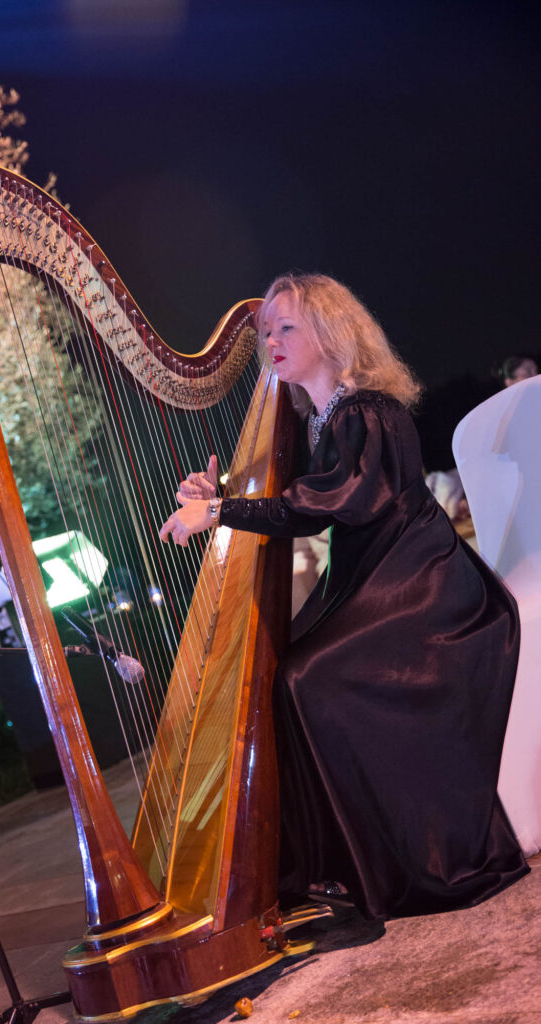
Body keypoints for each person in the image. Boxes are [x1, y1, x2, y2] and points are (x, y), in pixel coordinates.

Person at [159, 272, 529, 921]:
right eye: (266, 329)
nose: (271, 339)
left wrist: (221, 511)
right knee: (294, 671)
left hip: (424, 588)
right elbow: (304, 493)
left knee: (309, 678)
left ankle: (396, 860)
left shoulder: (367, 411)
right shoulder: (326, 419)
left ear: (331, 332)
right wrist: (215, 494)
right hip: (382, 582)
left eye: (287, 326)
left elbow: (333, 501)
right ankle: (347, 861)